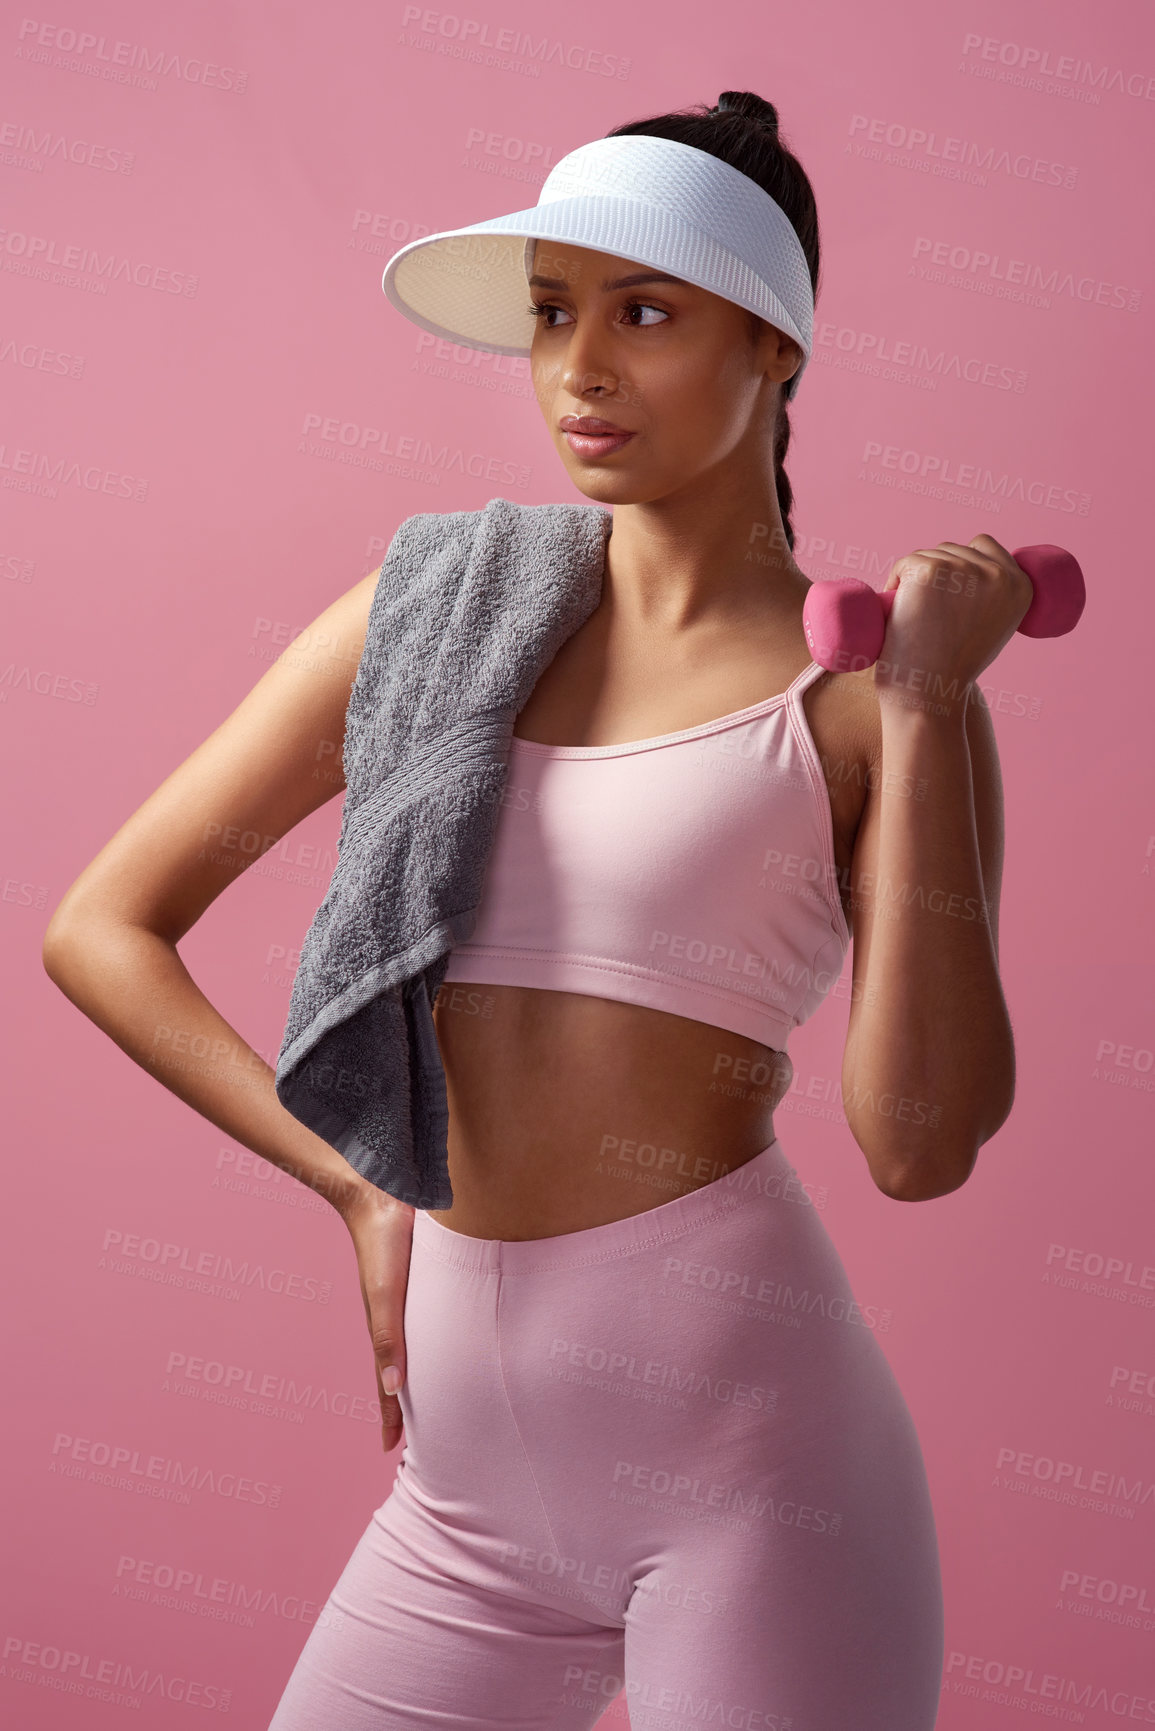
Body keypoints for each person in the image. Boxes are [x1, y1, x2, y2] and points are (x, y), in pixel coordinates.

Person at [44, 92, 1026, 1730]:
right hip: (467, 1504)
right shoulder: (430, 615)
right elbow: (103, 926)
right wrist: (358, 1188)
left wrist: (927, 708)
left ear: (775, 346)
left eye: (648, 313)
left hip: (755, 1492)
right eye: (553, 312)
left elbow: (920, 1147)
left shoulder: (859, 701)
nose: (583, 366)